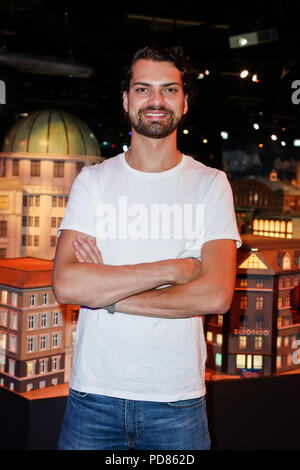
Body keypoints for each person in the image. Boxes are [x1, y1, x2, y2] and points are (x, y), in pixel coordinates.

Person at [52, 45, 242, 450]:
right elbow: (68, 285)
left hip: (177, 402)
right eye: (143, 89)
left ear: (185, 101)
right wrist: (172, 269)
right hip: (93, 397)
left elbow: (216, 294)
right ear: (126, 100)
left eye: (169, 90)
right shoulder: (93, 181)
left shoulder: (210, 184)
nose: (156, 100)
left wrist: (108, 297)